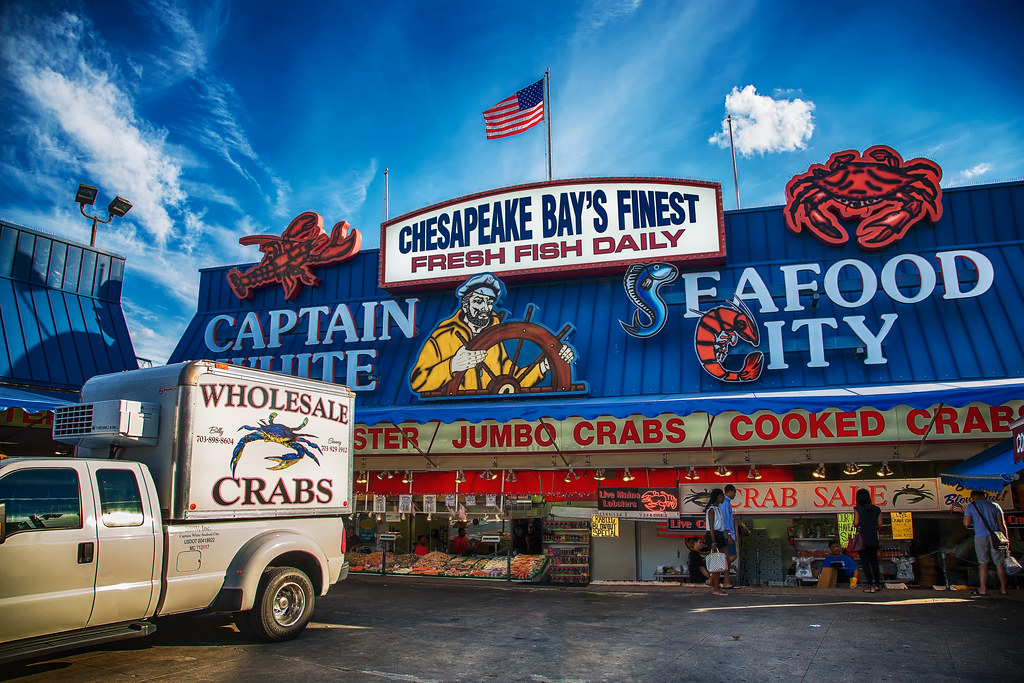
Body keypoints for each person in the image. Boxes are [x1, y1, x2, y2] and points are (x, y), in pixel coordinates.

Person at [409, 273, 575, 395]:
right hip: (452, 414)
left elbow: (512, 381)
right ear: (465, 305)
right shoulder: (444, 336)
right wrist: (452, 365)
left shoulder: (494, 336)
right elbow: (417, 381)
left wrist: (545, 364)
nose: (485, 308)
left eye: (489, 302)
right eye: (479, 301)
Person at [963, 490, 1009, 596]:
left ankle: (983, 589)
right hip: (995, 537)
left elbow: (966, 523)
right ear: (984, 496)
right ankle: (1003, 589)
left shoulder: (971, 506)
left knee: (983, 563)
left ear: (973, 497)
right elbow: (1002, 524)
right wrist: (1006, 540)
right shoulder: (995, 505)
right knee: (999, 563)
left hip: (980, 536)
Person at [853, 488, 882, 593]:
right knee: (874, 562)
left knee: (865, 563)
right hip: (874, 538)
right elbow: (880, 524)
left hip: (863, 540)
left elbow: (856, 523)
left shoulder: (857, 509)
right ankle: (877, 584)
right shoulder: (877, 509)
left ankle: (870, 586)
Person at [704, 488, 728, 596]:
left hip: (719, 534)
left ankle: (712, 581)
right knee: (717, 562)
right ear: (718, 497)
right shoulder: (712, 509)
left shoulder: (717, 508)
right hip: (714, 535)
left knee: (723, 559)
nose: (723, 498)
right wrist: (713, 541)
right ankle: (715, 587)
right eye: (722, 496)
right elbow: (711, 527)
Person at [720, 484, 739, 588]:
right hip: (727, 534)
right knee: (732, 556)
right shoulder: (725, 504)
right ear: (730, 492)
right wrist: (729, 535)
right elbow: (725, 521)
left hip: (727, 533)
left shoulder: (725, 503)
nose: (735, 495)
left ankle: (726, 581)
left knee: (727, 557)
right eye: (734, 492)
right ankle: (717, 571)